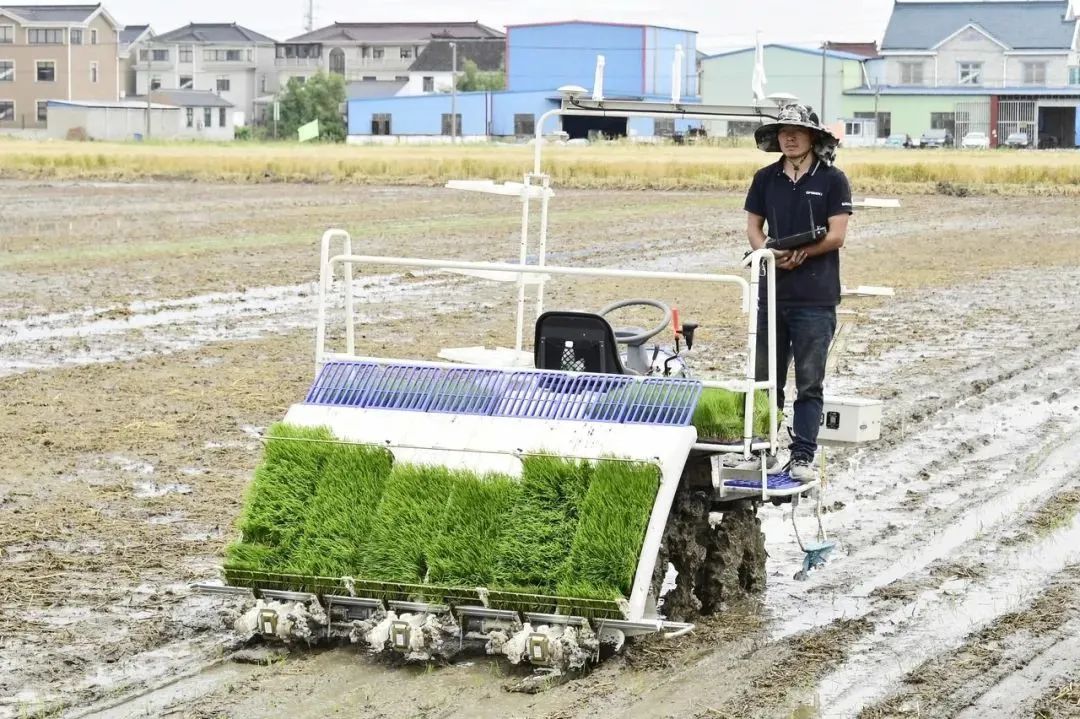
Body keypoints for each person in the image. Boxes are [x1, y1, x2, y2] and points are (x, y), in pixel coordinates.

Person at [742, 104, 852, 482]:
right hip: (772, 293)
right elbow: (754, 227)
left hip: (816, 298)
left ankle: (802, 454)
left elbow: (836, 235)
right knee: (764, 377)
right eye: (783, 131)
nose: (789, 138)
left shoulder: (833, 179)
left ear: (812, 137)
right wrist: (768, 253)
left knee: (809, 381)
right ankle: (762, 450)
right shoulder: (765, 178)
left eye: (797, 131)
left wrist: (803, 252)